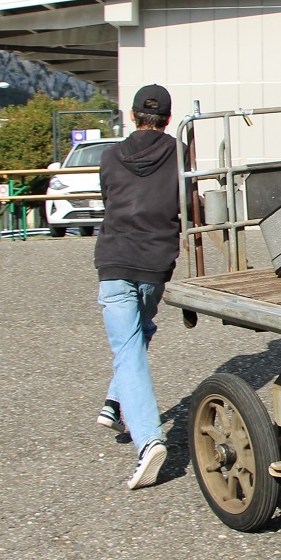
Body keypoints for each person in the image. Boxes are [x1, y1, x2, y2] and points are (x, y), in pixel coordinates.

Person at [92, 84, 183, 490]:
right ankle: (115, 402)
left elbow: (108, 199)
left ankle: (148, 440)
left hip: (115, 260)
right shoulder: (181, 156)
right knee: (139, 333)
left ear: (132, 116)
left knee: (128, 348)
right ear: (166, 118)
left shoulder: (110, 157)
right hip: (155, 265)